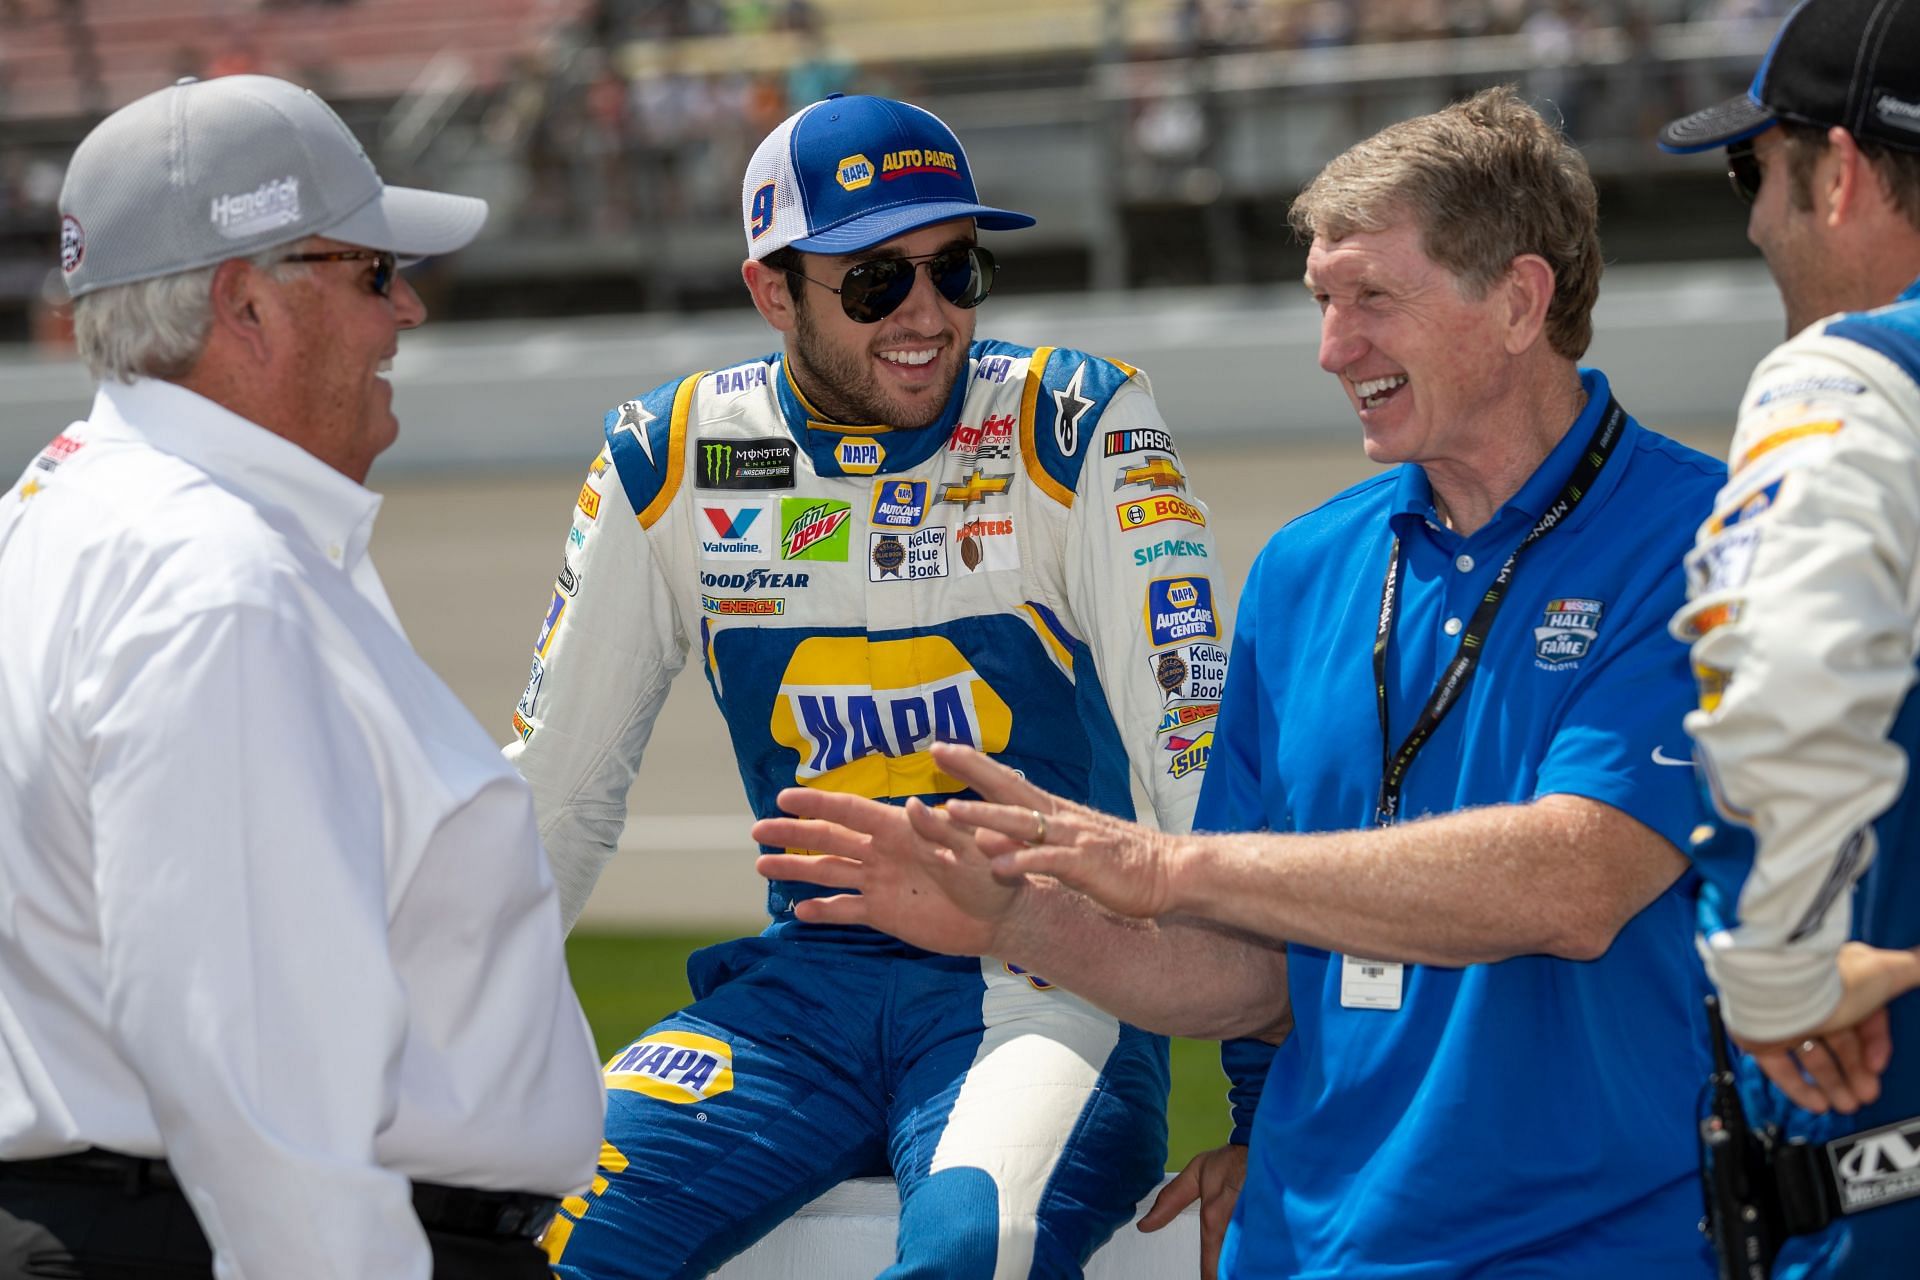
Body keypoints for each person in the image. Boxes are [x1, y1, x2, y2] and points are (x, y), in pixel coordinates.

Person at [753, 87, 1728, 1278]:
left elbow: (1578, 879)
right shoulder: (1306, 569)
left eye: (1373, 298)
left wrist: (1165, 866)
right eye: (1323, 301)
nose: (1333, 348)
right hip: (1311, 1247)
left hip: (1596, 1250)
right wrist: (1020, 916)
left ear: (1520, 300)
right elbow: (1251, 974)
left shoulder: (1702, 541)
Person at [509, 94, 1221, 1279]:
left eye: (956, 267)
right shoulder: (669, 452)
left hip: (1044, 979)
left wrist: (1264, 1103)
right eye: (878, 280)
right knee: (528, 1240)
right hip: (800, 996)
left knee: (965, 1253)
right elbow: (556, 796)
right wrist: (433, 1059)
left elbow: (1194, 758)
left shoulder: (1074, 422)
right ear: (771, 290)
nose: (929, 314)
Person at [0, 75, 604, 1280]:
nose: (410, 312)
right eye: (375, 273)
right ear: (247, 306)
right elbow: (258, 1076)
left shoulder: (61, 517)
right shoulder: (214, 580)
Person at [1660, 0, 1920, 1272]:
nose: (1754, 216)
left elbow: (1783, 681)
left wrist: (1782, 976)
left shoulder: (1849, 377)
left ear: (1844, 174)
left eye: (1752, 169)